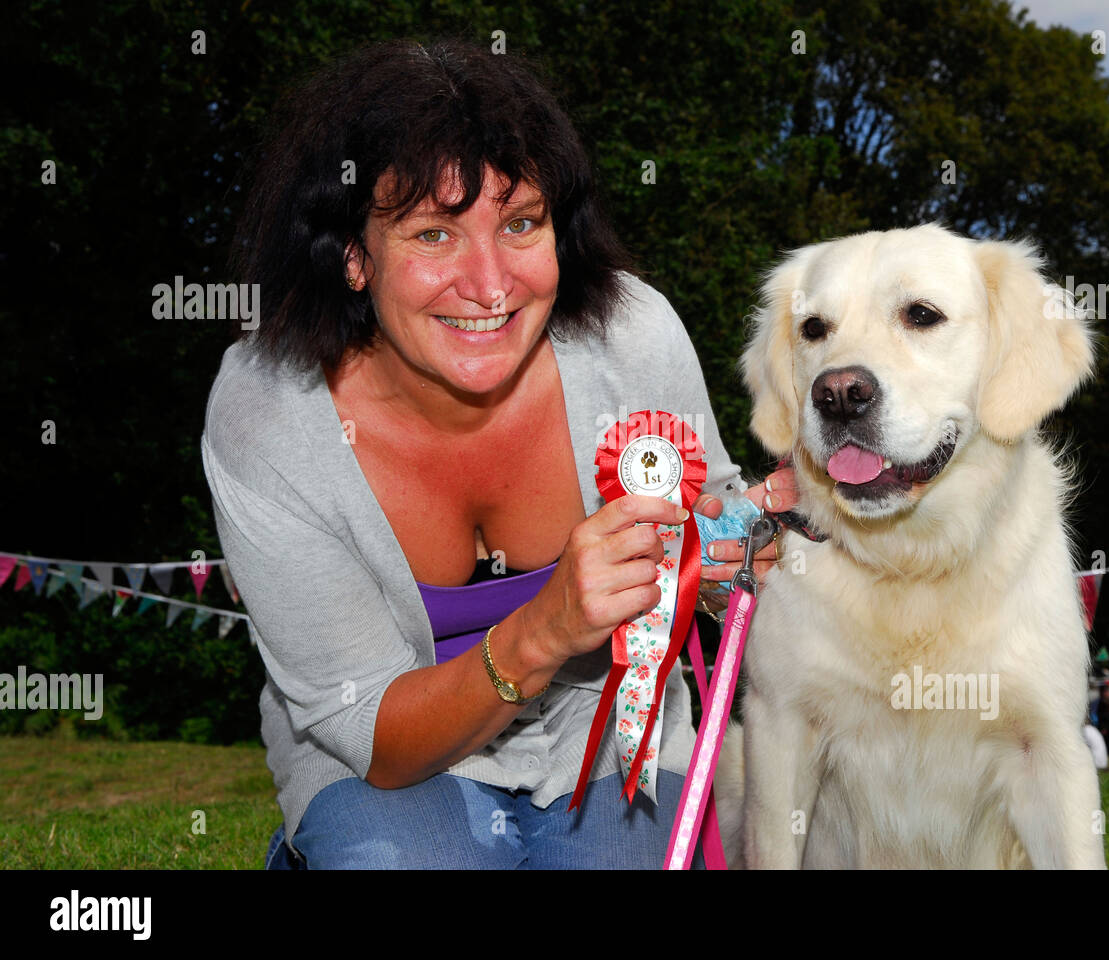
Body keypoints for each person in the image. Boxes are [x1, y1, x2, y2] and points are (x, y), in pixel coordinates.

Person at [202, 38, 800, 869]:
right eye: (434, 235)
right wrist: (544, 628)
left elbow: (720, 524)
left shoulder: (631, 336)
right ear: (350, 255)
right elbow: (375, 736)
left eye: (521, 223)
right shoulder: (269, 416)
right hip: (388, 764)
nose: (491, 285)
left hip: (606, 730)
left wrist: (754, 542)